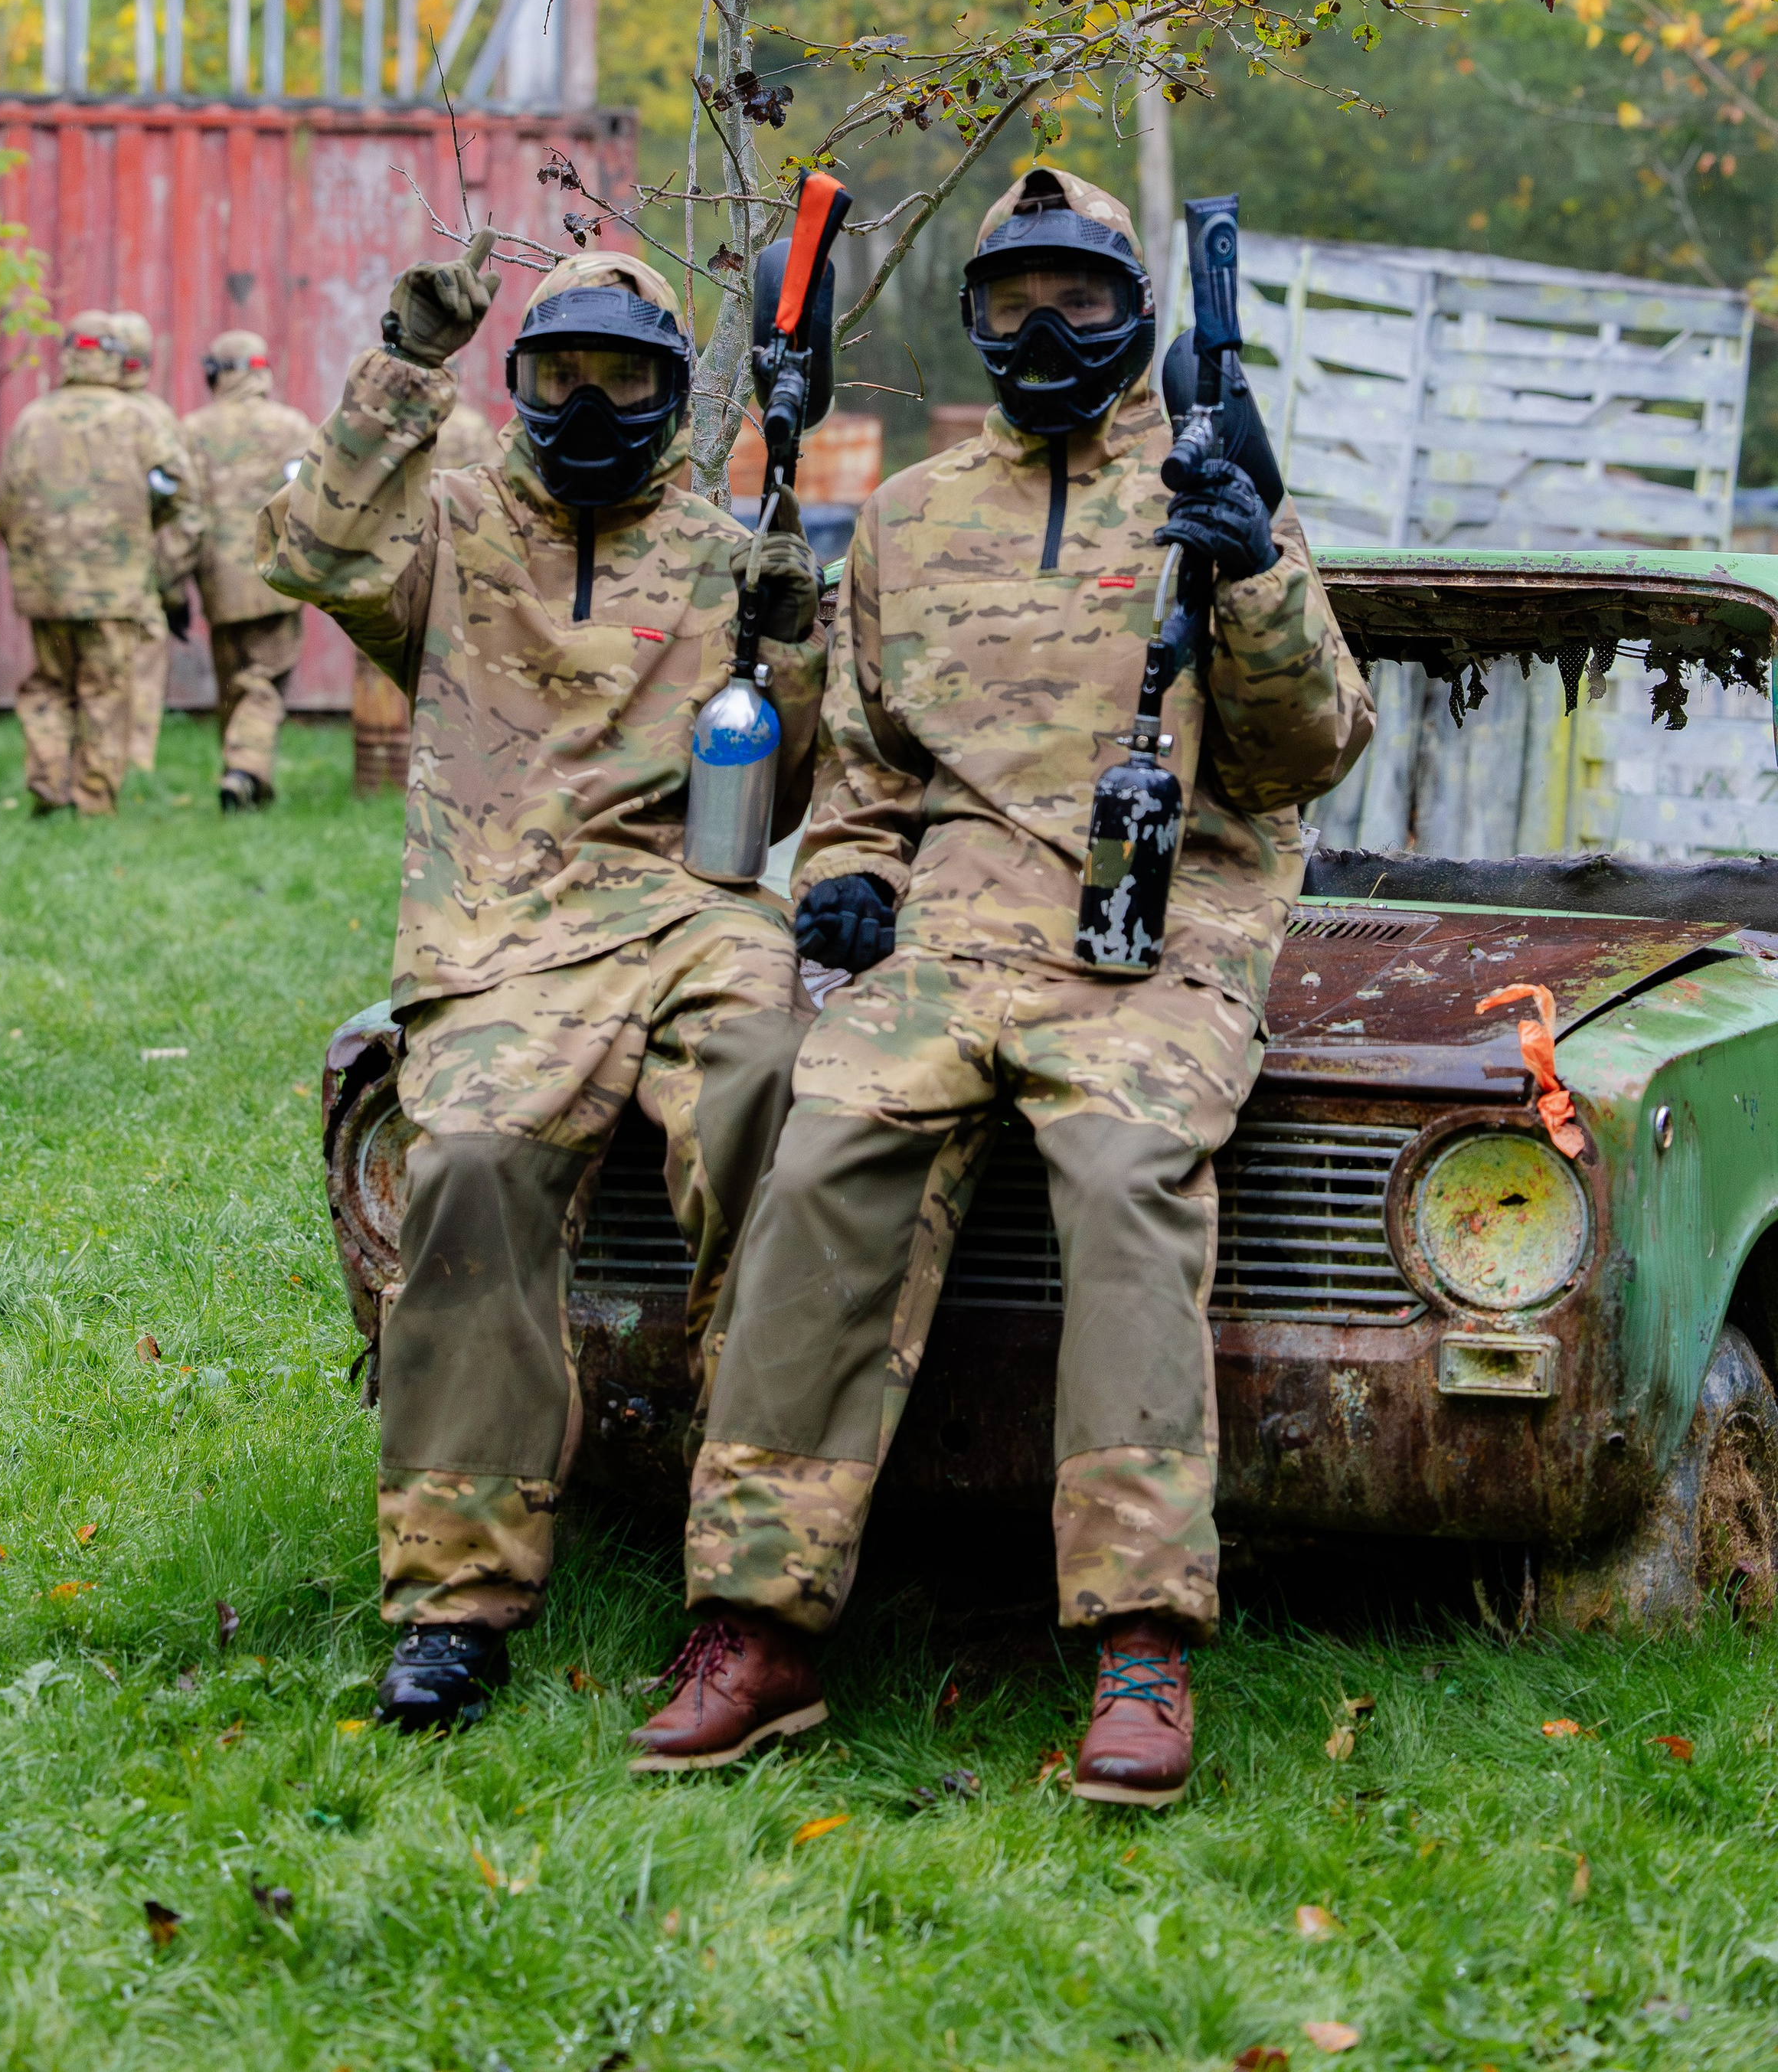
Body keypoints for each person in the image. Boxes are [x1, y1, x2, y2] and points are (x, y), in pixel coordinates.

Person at [651, 165, 1374, 1802]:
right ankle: (757, 1623)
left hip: (1161, 935)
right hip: (957, 938)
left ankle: (1136, 1639)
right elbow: (868, 759)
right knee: (826, 1151)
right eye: (1007, 303)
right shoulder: (909, 517)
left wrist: (1248, 568)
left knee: (1124, 1175)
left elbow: (1298, 755)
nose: (1043, 332)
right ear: (969, 320)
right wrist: (845, 869)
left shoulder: (1210, 485)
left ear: (1136, 320)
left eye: (1080, 301)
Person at [259, 235, 826, 1737]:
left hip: (692, 903)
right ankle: (455, 1597)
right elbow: (307, 549)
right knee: (466, 1170)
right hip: (499, 921)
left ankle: (756, 1572)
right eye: (558, 373)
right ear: (514, 382)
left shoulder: (719, 543)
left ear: (670, 392)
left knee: (774, 1105)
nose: (587, 404)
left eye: (621, 377)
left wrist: (798, 642)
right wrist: (399, 359)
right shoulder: (450, 521)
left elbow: (783, 797)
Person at [0, 312, 198, 816]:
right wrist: (145, 528)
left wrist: (33, 553)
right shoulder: (139, 419)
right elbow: (181, 487)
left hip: (46, 584)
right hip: (115, 584)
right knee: (106, 688)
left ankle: (47, 785)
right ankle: (92, 799)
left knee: (48, 683)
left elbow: (4, 502)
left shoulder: (32, 418)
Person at [181, 329, 315, 811]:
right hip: (277, 576)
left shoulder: (193, 430)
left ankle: (244, 777)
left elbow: (182, 512)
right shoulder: (292, 426)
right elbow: (314, 500)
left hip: (217, 579)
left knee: (234, 684)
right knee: (263, 682)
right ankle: (243, 770)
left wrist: (173, 585)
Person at [110, 310, 194, 780]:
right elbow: (186, 505)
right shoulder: (154, 418)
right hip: (138, 573)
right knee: (141, 664)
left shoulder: (61, 411)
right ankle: (137, 764)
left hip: (72, 577)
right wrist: (167, 579)